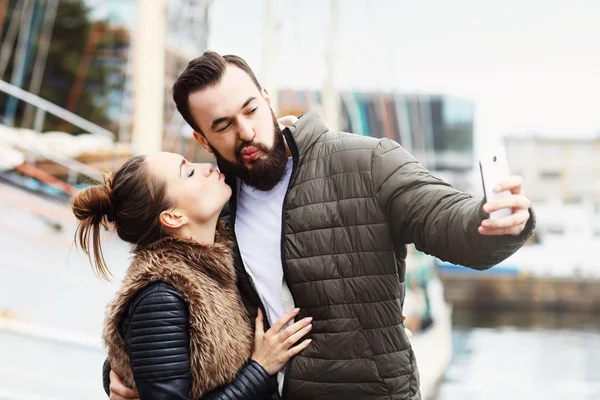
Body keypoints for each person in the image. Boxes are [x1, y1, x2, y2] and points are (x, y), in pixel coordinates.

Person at [107, 52, 535, 400]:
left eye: (251, 110)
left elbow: (447, 221)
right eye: (222, 126)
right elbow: (169, 310)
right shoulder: (214, 202)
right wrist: (120, 373)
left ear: (267, 98)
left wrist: (498, 221)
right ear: (203, 139)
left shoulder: (365, 161)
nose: (246, 132)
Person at [73, 152, 313, 399]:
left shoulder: (212, 265)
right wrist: (260, 370)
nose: (206, 167)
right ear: (173, 217)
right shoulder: (162, 295)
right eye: (188, 172)